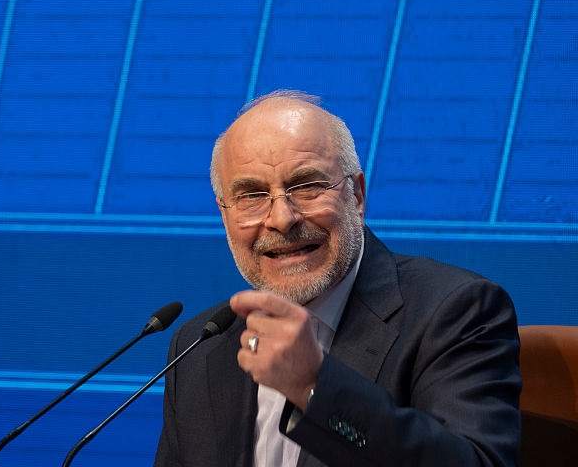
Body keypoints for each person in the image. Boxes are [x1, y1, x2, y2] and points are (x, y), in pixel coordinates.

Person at [154, 90, 521, 467]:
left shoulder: (456, 311)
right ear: (224, 214)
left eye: (306, 186)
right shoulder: (198, 346)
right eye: (252, 195)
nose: (282, 219)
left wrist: (314, 386)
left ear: (357, 196)